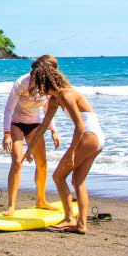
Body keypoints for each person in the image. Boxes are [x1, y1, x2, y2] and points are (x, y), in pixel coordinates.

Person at [23, 66, 106, 234]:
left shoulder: (67, 95)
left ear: (45, 82)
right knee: (77, 181)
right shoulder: (55, 99)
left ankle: (69, 219)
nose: (37, 89)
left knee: (58, 176)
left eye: (38, 84)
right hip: (97, 139)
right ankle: (81, 224)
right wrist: (30, 148)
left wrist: (70, 152)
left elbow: (80, 126)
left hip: (89, 136)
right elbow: (44, 125)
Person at [1, 55, 62, 216]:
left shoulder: (48, 85)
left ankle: (41, 200)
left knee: (42, 163)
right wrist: (6, 133)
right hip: (16, 124)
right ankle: (11, 205)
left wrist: (53, 130)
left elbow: (48, 109)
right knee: (17, 161)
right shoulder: (22, 82)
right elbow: (8, 109)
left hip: (35, 124)